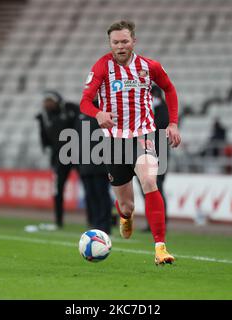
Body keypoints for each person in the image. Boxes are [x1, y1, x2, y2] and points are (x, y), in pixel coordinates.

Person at [80, 21, 181, 265]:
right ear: (110, 44)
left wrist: (173, 123)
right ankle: (125, 216)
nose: (120, 46)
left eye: (125, 41)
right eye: (115, 42)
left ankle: (160, 247)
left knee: (149, 180)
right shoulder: (102, 67)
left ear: (133, 41)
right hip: (114, 142)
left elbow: (170, 89)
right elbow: (85, 102)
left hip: (143, 135)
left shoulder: (149, 66)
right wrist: (98, 114)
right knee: (126, 206)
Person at [36, 90, 79, 229]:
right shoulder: (44, 116)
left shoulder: (71, 109)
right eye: (45, 101)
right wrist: (48, 149)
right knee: (58, 189)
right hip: (58, 157)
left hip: (78, 154)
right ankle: (58, 220)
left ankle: (94, 220)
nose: (47, 104)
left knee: (90, 184)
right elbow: (43, 136)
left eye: (50, 100)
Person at [76, 110, 113, 234]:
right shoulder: (82, 115)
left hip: (101, 164)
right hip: (85, 164)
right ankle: (95, 223)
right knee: (90, 195)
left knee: (101, 194)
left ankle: (105, 225)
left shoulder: (104, 112)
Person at [140, 85, 170, 232]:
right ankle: (152, 221)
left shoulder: (162, 110)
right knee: (146, 188)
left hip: (159, 153)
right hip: (147, 153)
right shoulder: (151, 111)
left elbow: (159, 127)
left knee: (156, 187)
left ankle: (161, 221)